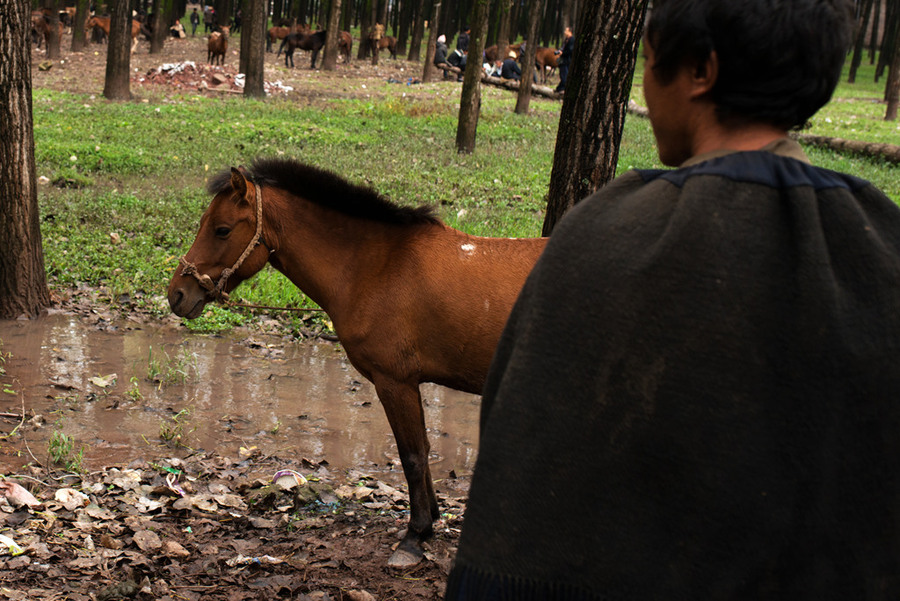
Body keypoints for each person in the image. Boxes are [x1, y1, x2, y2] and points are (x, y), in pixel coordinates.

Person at [445, 0, 900, 599]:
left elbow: (529, 469)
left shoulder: (605, 237)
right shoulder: (882, 243)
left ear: (701, 72)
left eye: (649, 63)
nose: (646, 87)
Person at [554, 25, 574, 93]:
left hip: (566, 61)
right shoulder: (566, 39)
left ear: (570, 32)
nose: (564, 32)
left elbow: (570, 51)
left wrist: (562, 53)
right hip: (563, 60)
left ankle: (561, 89)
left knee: (564, 76)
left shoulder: (572, 40)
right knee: (563, 75)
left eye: (566, 30)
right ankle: (560, 88)